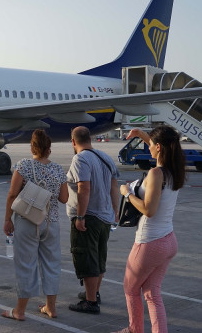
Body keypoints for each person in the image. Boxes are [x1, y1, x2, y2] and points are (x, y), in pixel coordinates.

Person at [113, 126, 185, 333]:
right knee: (152, 293)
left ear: (159, 147)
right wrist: (141, 135)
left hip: (150, 242)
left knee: (130, 288)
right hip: (168, 240)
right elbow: (161, 146)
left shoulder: (155, 173)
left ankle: (134, 329)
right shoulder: (173, 170)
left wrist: (127, 193)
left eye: (151, 144)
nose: (149, 147)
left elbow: (148, 210)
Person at [1, 129, 68, 321]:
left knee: (26, 265)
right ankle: (51, 307)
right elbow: (64, 198)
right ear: (49, 149)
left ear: (32, 147)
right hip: (50, 223)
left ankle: (20, 311)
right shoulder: (58, 169)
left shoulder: (23, 166)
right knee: (52, 264)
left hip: (27, 222)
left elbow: (12, 194)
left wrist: (7, 219)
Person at [66, 126, 120, 314]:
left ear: (73, 142)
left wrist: (80, 216)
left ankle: (90, 302)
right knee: (99, 256)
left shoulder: (80, 159)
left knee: (87, 258)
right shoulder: (105, 157)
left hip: (89, 216)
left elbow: (84, 188)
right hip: (105, 217)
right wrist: (115, 210)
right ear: (90, 139)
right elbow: (114, 186)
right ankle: (94, 293)